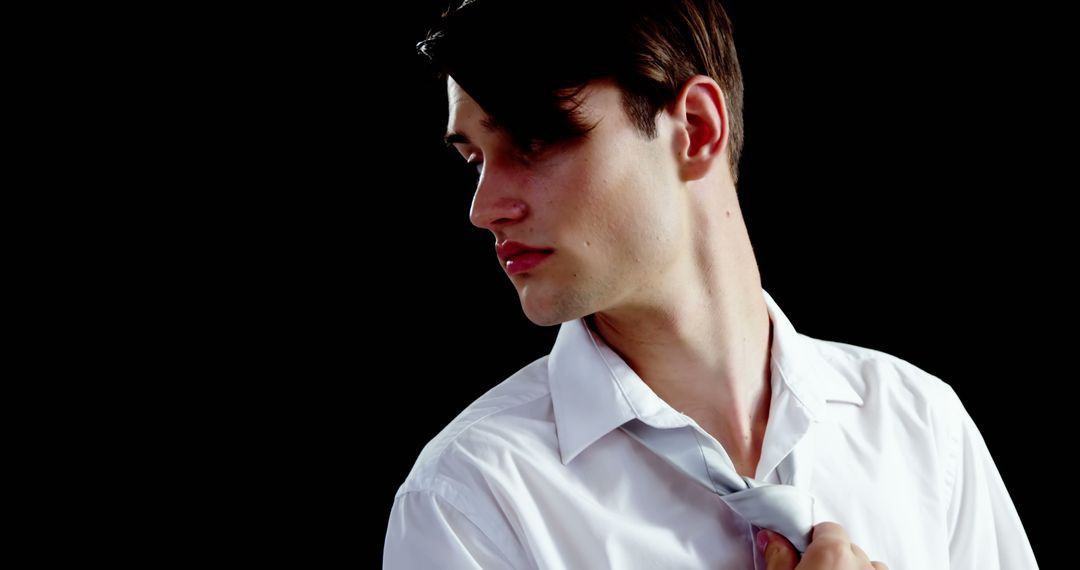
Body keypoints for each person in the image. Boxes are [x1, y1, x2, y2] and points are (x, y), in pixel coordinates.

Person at [384, 1, 1038, 568]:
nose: (483, 207)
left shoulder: (922, 428)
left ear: (694, 128)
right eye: (473, 159)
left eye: (531, 140)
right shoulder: (470, 500)